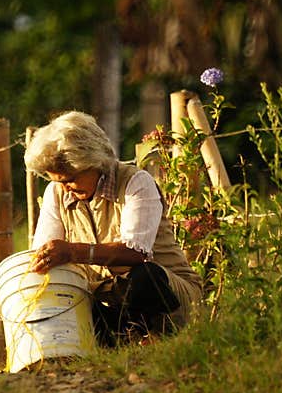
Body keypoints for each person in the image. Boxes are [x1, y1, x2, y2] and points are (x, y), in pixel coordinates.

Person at [24, 110, 203, 346]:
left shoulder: (134, 182)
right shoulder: (56, 193)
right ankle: (121, 340)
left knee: (145, 276)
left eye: (70, 180)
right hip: (110, 302)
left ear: (94, 163)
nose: (65, 188)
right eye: (58, 182)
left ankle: (154, 338)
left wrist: (73, 251)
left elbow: (135, 253)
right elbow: (45, 254)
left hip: (169, 297)